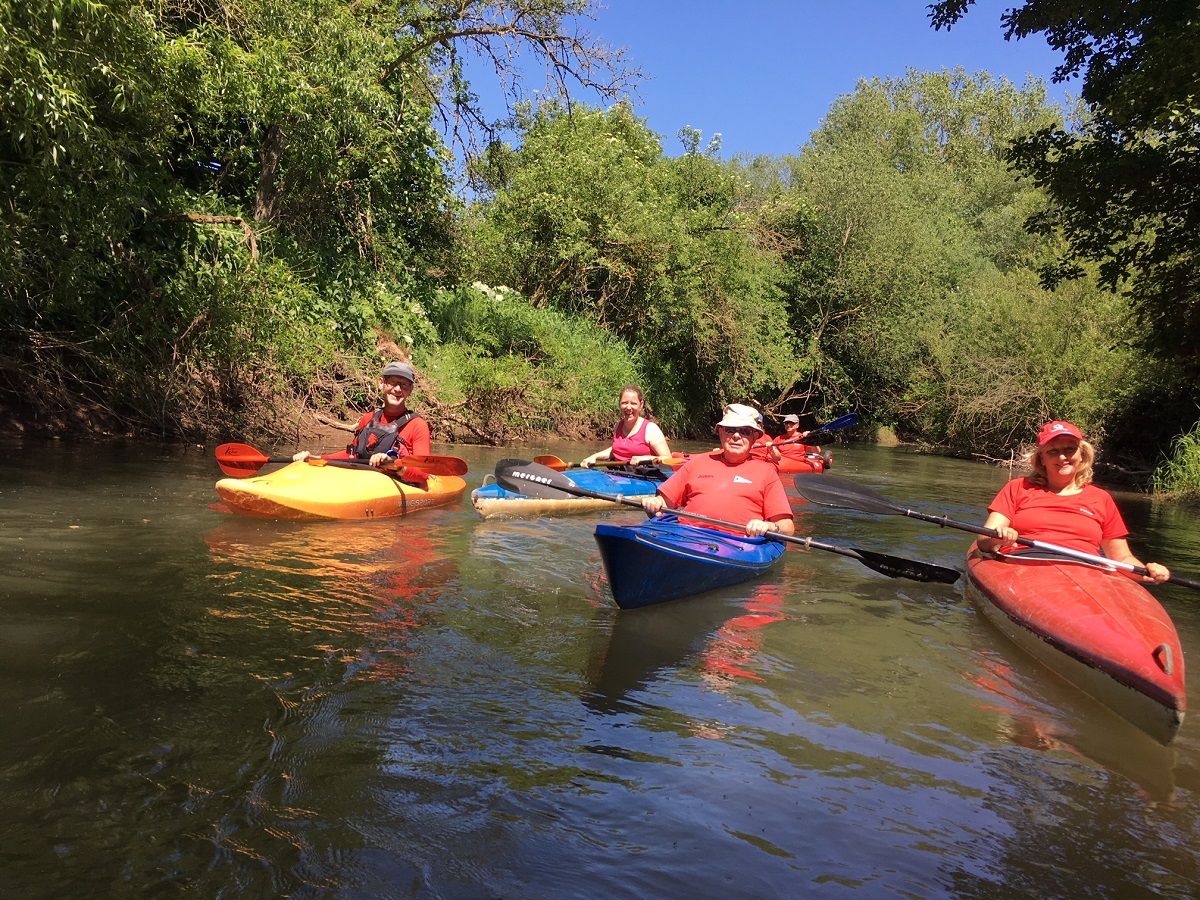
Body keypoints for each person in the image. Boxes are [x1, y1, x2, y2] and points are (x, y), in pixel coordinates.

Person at [975, 420, 1170, 583]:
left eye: (1069, 449)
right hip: (1023, 565)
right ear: (1041, 459)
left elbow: (1121, 558)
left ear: (1081, 454)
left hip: (1085, 574)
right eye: (1053, 451)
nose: (1062, 457)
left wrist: (1147, 571)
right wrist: (999, 537)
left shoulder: (1101, 498)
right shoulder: (1018, 488)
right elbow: (983, 541)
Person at [642, 403, 795, 538]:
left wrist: (768, 526)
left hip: (738, 543)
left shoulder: (766, 473)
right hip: (687, 536)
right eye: (730, 430)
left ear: (755, 437)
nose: (736, 436)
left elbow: (787, 527)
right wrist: (655, 502)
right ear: (720, 432)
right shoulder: (697, 463)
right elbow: (665, 502)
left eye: (744, 432)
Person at [293, 360, 431, 486]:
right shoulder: (368, 419)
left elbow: (424, 475)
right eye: (393, 382)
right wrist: (316, 458)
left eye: (404, 385)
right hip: (364, 482)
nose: (398, 389)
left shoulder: (418, 425)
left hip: (399, 485)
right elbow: (351, 455)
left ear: (410, 390)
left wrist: (395, 466)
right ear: (381, 383)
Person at [581, 385, 672, 467]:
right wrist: (594, 457)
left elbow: (668, 459)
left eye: (633, 403)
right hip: (620, 475)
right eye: (624, 403)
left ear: (641, 405)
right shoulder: (618, 426)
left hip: (644, 476)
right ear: (619, 404)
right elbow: (615, 451)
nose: (628, 408)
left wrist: (646, 458)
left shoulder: (650, 429)